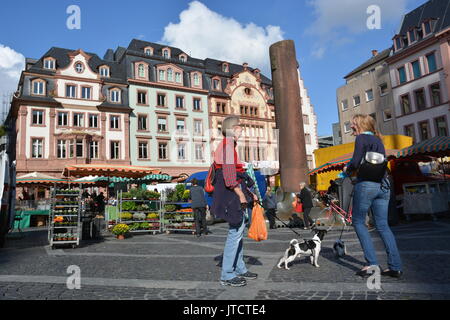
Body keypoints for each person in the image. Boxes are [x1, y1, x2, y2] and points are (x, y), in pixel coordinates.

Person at [344, 114, 402, 278]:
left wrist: (346, 169)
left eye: (353, 124)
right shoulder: (378, 140)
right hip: (383, 185)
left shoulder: (361, 138)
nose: (351, 127)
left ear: (360, 125)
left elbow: (355, 162)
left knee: (358, 222)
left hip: (367, 184)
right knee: (383, 226)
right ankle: (395, 266)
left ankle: (372, 264)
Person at [210, 115, 258, 287]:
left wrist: (249, 193)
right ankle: (227, 274)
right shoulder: (228, 145)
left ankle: (239, 268)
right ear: (232, 128)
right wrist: (242, 195)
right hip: (232, 196)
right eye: (239, 126)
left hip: (232, 194)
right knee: (235, 233)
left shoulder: (229, 145)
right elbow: (230, 177)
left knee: (238, 233)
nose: (241, 129)